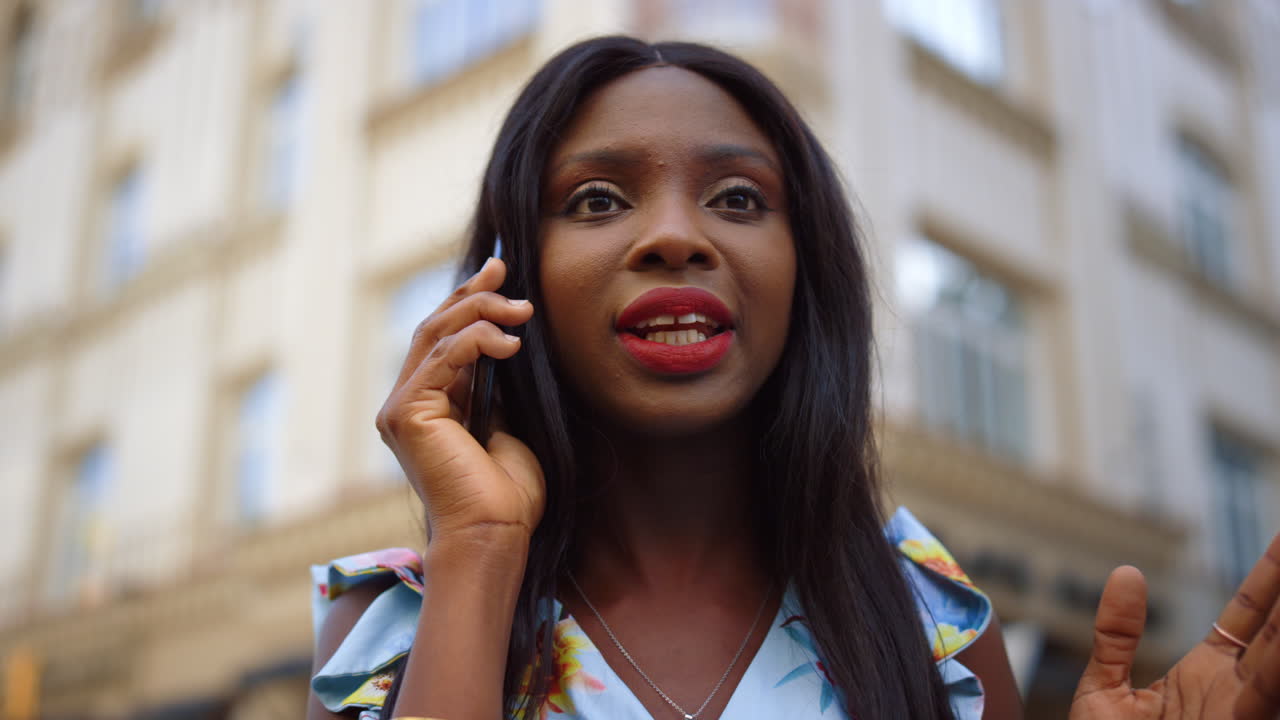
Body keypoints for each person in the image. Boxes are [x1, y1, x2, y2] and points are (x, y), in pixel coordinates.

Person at [306, 36, 1280, 720]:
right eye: (597, 199)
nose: (675, 235)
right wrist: (477, 545)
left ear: (803, 271)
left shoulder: (928, 624)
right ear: (509, 279)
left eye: (736, 198)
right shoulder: (386, 630)